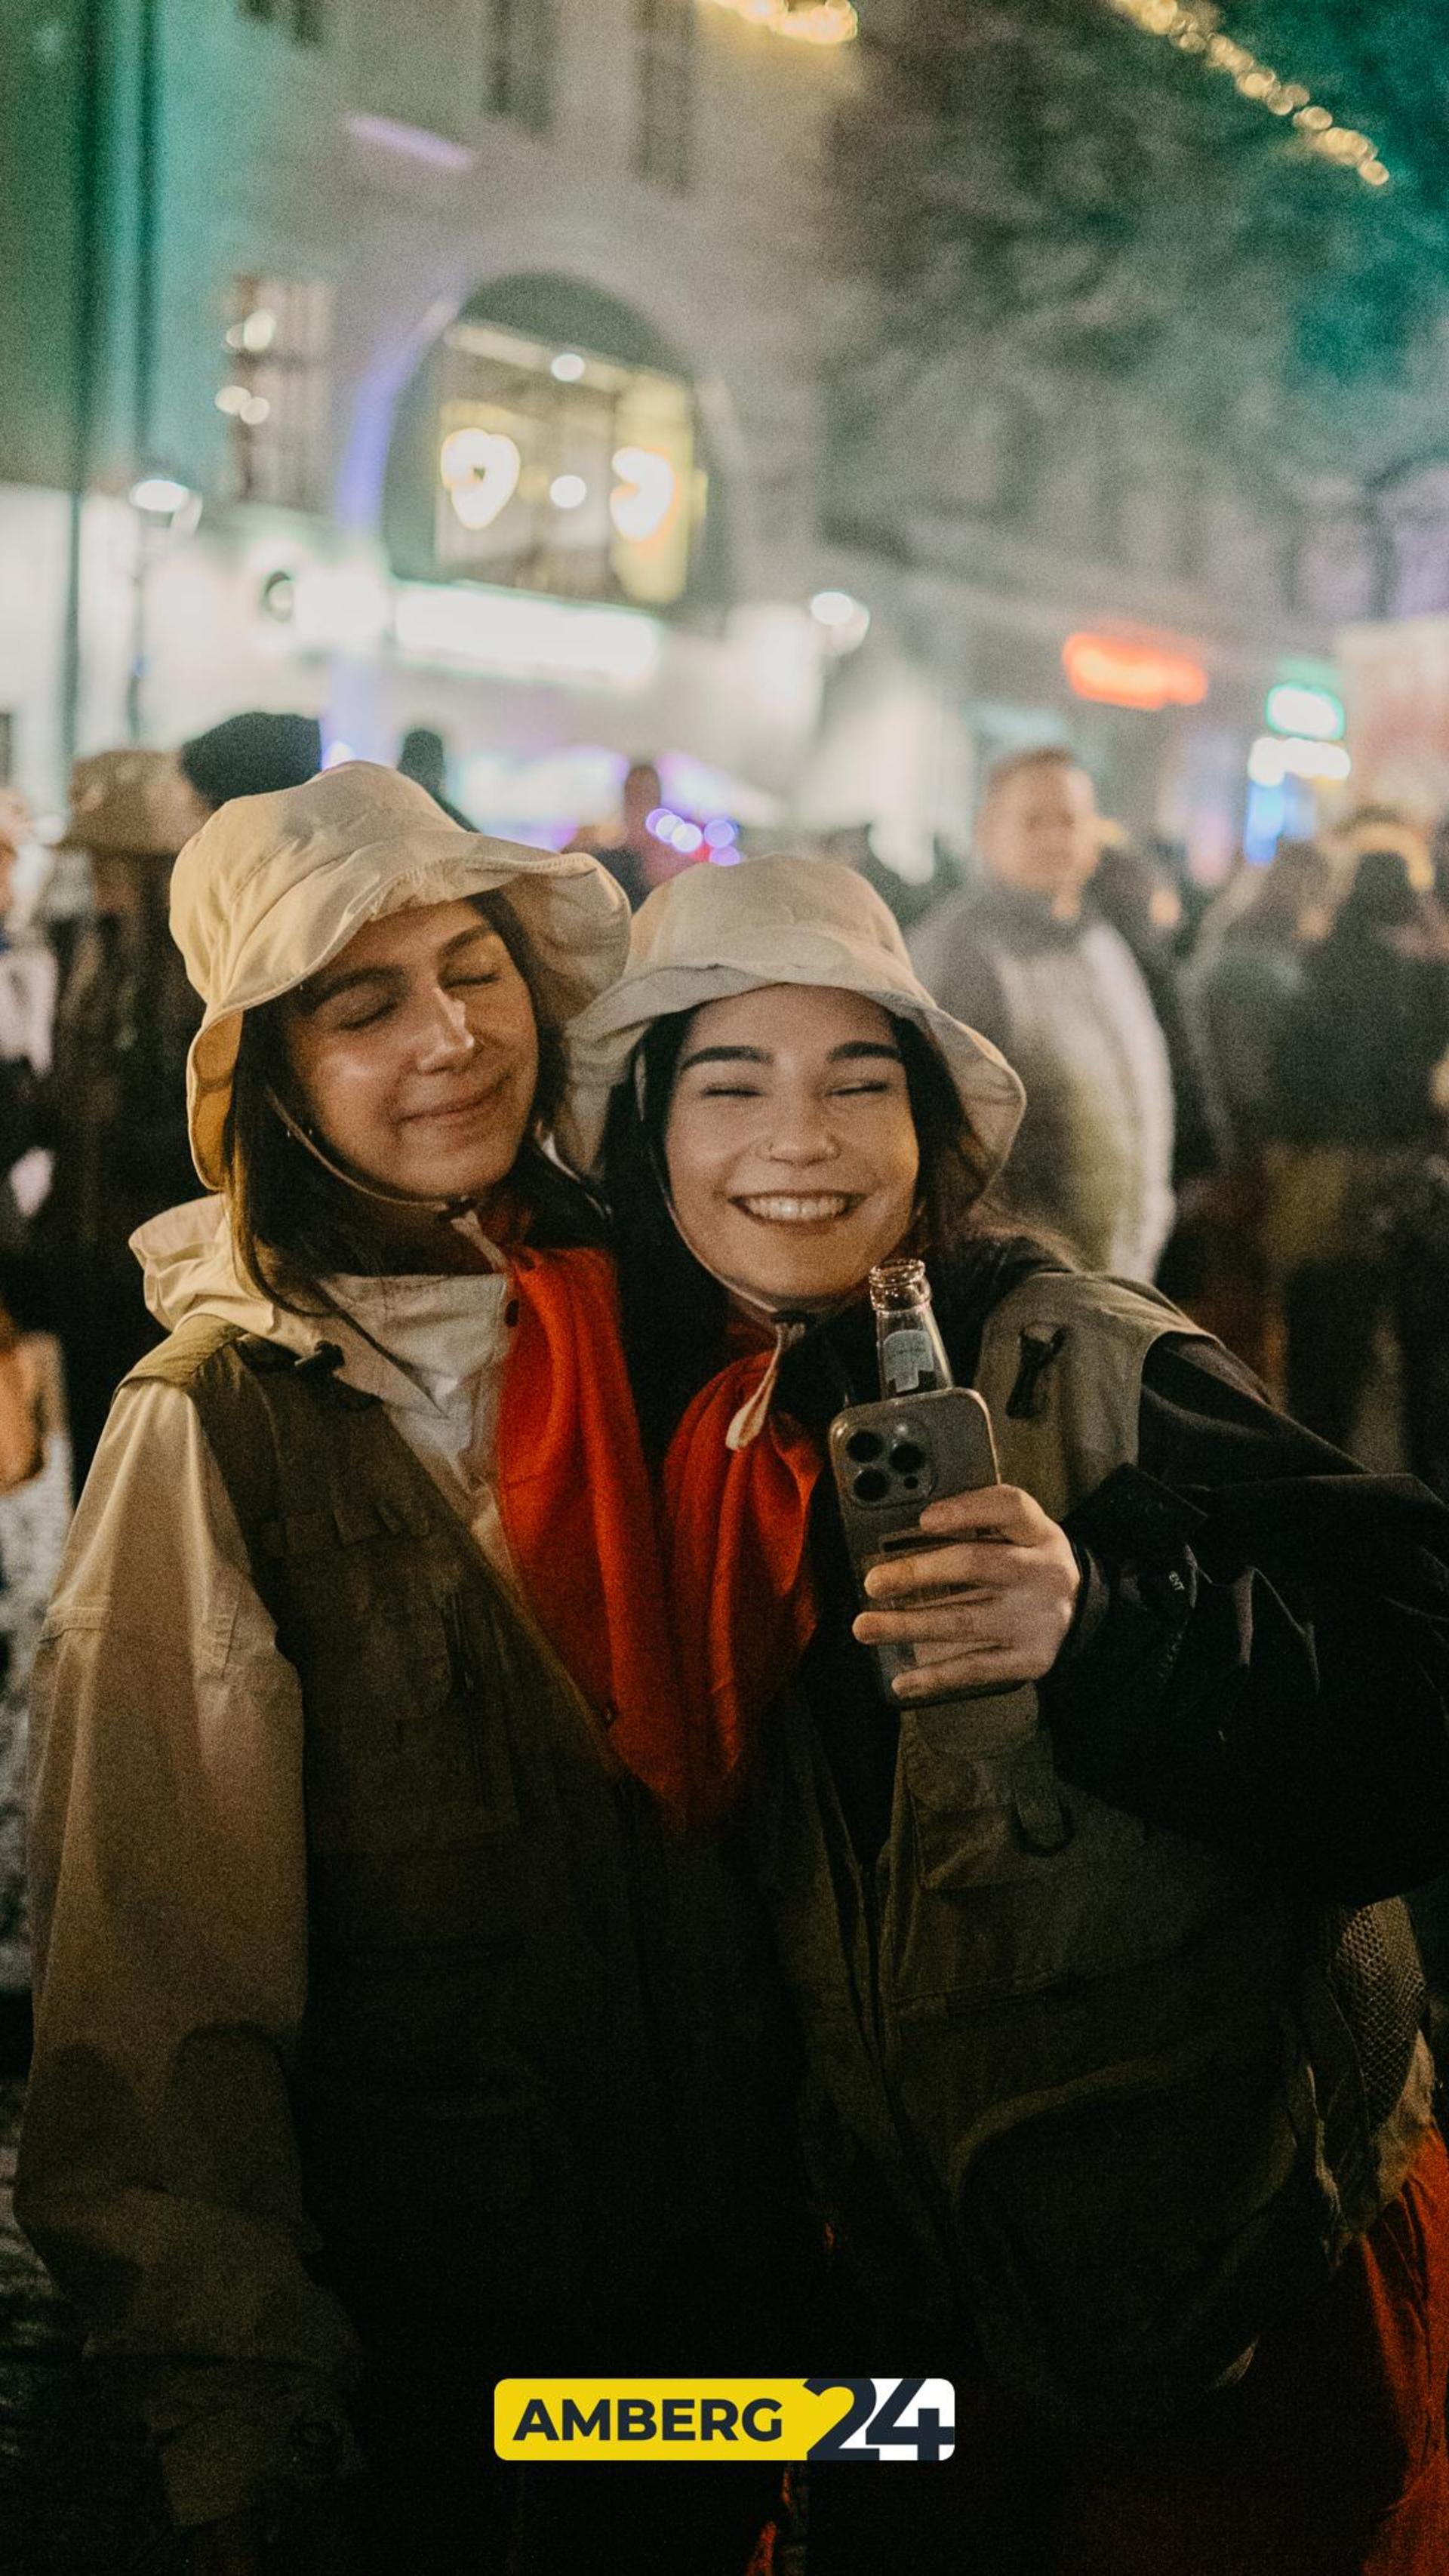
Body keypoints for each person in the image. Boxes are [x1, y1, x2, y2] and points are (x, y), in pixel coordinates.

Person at [571, 853, 1449, 2576]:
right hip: (909, 2337)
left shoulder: (1088, 1361)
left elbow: (1418, 1693)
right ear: (648, 1138)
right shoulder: (660, 1443)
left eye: (856, 1079)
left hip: (1225, 2325)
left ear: (930, 1134)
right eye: (728, 1082)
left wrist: (1107, 1626)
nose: (796, 1137)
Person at [17, 765, 803, 2576]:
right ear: (272, 1079)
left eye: (475, 968)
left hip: (723, 2298)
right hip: (448, 2354)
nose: (450, 1037)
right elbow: (156, 1983)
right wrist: (239, 2425)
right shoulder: (220, 1428)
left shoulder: (663, 1306)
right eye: (360, 1006)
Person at [909, 746, 1176, 1277]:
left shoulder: (1103, 944)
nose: (1056, 838)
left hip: (1118, 1275)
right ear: (987, 832)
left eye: (1070, 820)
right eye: (1034, 821)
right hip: (1015, 1287)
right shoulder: (959, 952)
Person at [1264, 846, 1449, 1460]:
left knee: (1322, 1360)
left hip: (1318, 1182)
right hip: (1401, 1182)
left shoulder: (1313, 965)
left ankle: (1315, 1478)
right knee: (1417, 1366)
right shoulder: (1424, 980)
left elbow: (1285, 1075)